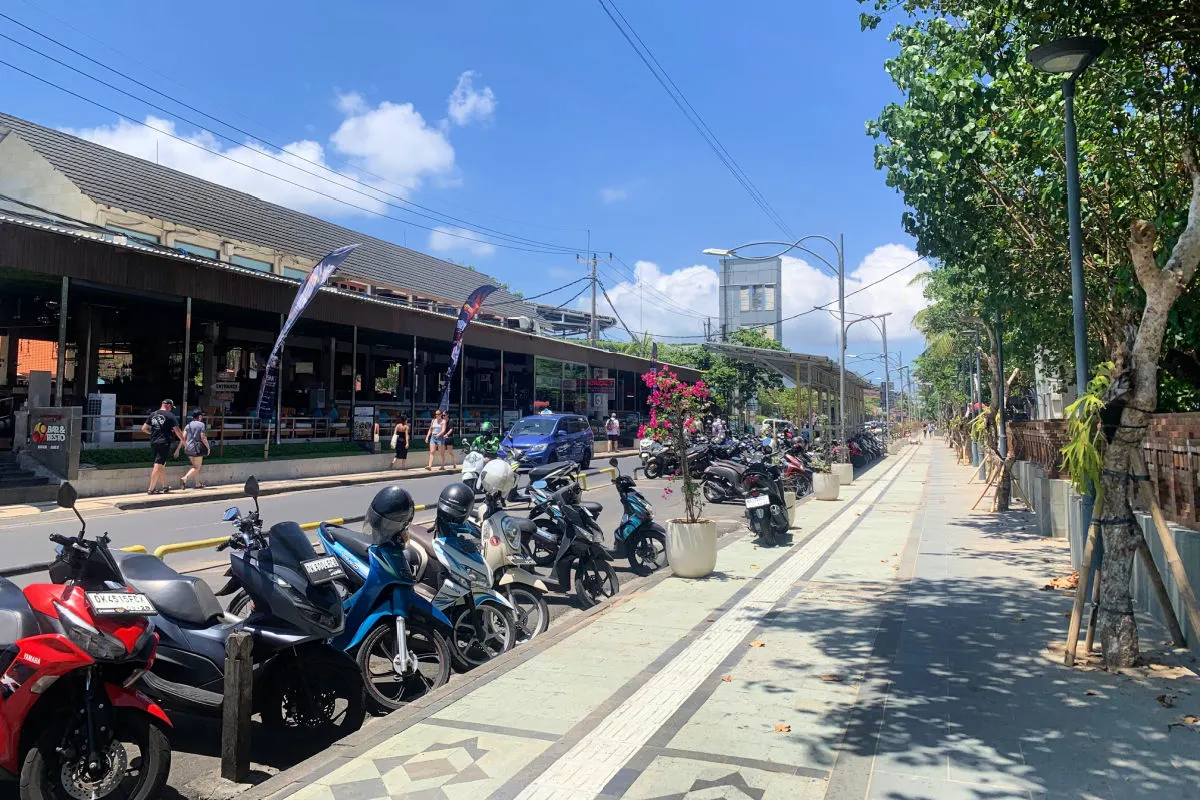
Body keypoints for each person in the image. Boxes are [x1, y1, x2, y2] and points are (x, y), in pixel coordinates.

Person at [141, 399, 183, 494]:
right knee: (158, 464)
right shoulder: (170, 415)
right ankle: (151, 489)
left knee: (161, 465)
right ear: (168, 405)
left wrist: (152, 433)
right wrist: (183, 440)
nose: (171, 409)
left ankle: (165, 487)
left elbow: (143, 428)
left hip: (154, 442)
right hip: (164, 442)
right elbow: (177, 430)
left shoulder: (153, 414)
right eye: (171, 407)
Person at [179, 409, 210, 489]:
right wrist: (208, 448)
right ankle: (185, 478)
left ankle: (197, 484)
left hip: (188, 448)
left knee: (194, 466)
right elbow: (203, 438)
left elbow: (183, 437)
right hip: (197, 448)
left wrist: (181, 448)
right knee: (197, 467)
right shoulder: (201, 424)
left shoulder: (188, 425)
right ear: (199, 416)